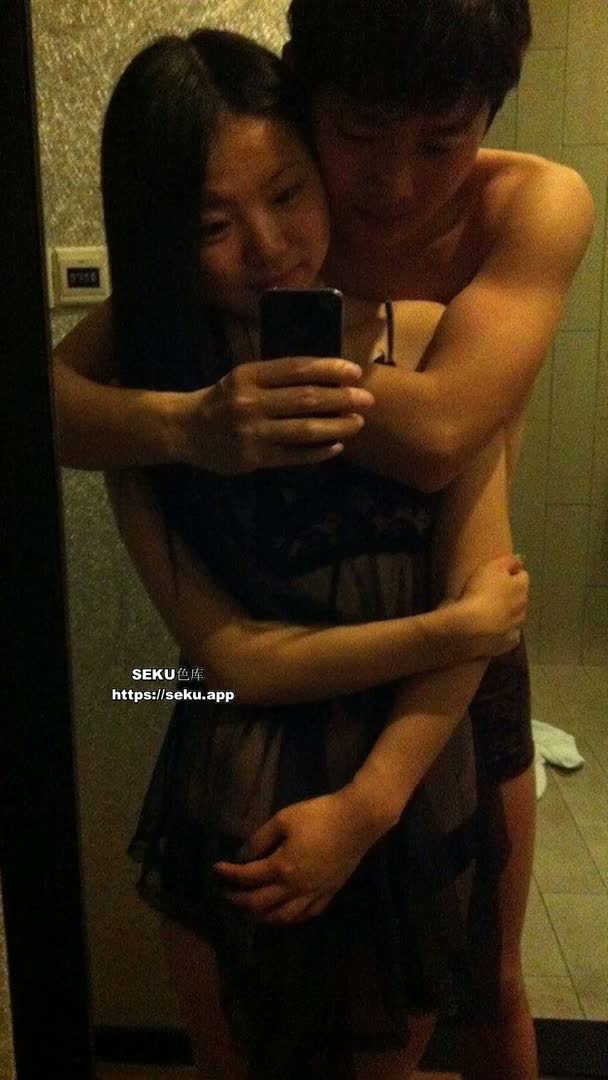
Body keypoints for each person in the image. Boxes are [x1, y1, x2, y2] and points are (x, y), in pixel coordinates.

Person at [52, 3, 594, 1078]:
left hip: (453, 635)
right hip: (282, 689)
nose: (394, 183)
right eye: (360, 135)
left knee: (485, 979)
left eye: (442, 140)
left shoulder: (527, 205)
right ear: (305, 93)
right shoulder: (264, 220)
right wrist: (187, 420)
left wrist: (231, 365)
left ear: (490, 111)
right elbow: (61, 399)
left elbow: (444, 438)